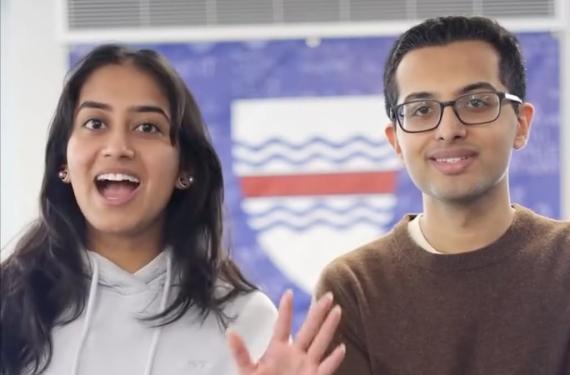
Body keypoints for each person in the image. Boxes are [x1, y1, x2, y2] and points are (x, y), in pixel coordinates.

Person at [0, 44, 345, 375]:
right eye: (95, 124)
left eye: (147, 127)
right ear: (63, 161)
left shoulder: (244, 318)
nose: (118, 147)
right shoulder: (8, 302)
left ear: (185, 169)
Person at [316, 16, 570, 375]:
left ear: (522, 124)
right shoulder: (353, 287)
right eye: (421, 110)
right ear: (396, 142)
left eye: (477, 103)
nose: (449, 130)